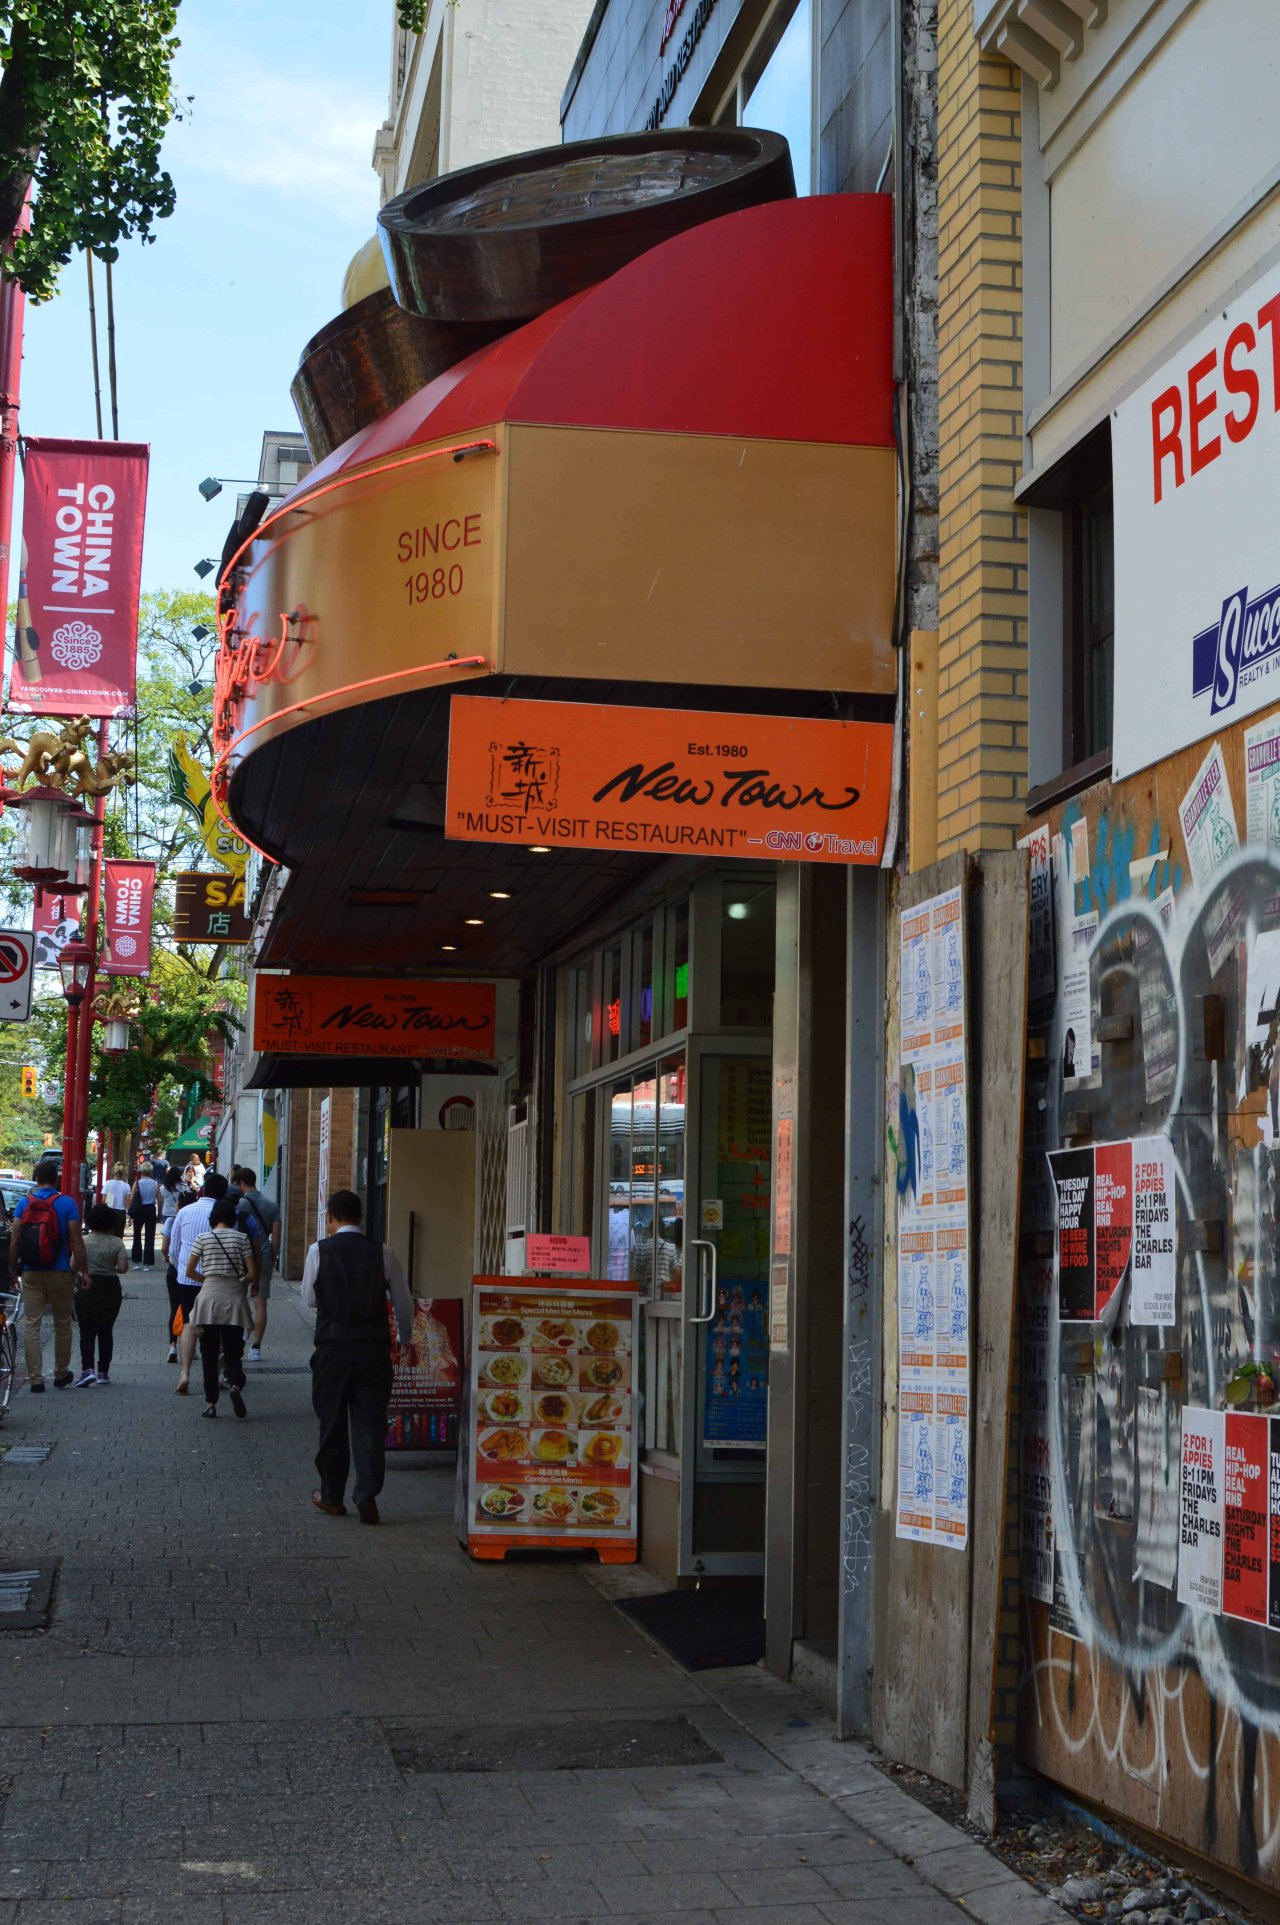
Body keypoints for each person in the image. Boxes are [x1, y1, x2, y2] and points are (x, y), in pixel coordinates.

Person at [301, 1189, 412, 1524]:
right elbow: (403, 1302)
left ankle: (332, 1496)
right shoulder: (384, 1252)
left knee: (331, 1423)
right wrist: (404, 1338)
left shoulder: (317, 1250)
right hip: (373, 1349)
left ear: (330, 1218)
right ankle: (367, 1494)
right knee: (370, 1424)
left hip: (332, 1348)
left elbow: (308, 1298)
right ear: (361, 1217)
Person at [9, 1158, 88, 1393]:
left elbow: (15, 1240)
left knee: (32, 1324)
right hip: (60, 1270)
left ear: (36, 1179)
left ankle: (35, 1380)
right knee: (62, 1323)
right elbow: (76, 1239)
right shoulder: (67, 1204)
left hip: (32, 1271)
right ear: (56, 1179)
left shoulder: (25, 1204)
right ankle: (61, 1374)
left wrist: (12, 1270)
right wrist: (84, 1270)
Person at [184, 1196, 257, 1419]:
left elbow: (189, 1271)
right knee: (233, 1350)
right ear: (233, 1218)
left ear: (213, 1218)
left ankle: (210, 1403)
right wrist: (240, 1281)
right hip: (233, 1298)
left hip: (209, 1298)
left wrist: (207, 1278)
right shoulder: (242, 1238)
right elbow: (252, 1274)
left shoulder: (203, 1238)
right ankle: (235, 1383)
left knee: (208, 1352)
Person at [165, 1173, 229, 1393]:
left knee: (190, 1325)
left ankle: (184, 1374)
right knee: (217, 1326)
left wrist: (182, 1268)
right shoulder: (224, 1215)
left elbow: (173, 1251)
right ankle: (217, 1375)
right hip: (215, 1279)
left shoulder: (184, 1212)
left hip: (185, 1279)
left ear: (203, 1189)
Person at [74, 1202, 129, 1387]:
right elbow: (122, 1268)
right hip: (110, 1287)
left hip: (86, 1286)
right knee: (106, 1330)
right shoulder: (117, 1243)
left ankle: (87, 1369)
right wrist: (109, 1265)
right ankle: (103, 1372)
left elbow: (73, 1266)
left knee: (86, 1329)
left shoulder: (83, 1241)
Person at [235, 1169, 280, 1361]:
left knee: (239, 1297)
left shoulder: (240, 1205)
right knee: (261, 1303)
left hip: (243, 1258)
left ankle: (245, 1329)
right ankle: (256, 1348)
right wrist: (273, 1256)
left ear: (242, 1183)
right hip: (265, 1257)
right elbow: (276, 1236)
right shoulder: (271, 1205)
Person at [128, 1162, 160, 1269]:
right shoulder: (155, 1183)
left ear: (141, 1171)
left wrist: (129, 1216)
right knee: (150, 1236)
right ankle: (147, 1263)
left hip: (139, 1209)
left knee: (137, 1234)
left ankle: (136, 1261)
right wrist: (159, 1214)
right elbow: (158, 1199)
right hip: (150, 1208)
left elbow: (132, 1199)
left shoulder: (137, 1183)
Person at [102, 1162, 131, 1234]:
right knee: (119, 1235)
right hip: (121, 1212)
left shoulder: (108, 1183)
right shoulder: (126, 1186)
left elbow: (103, 1200)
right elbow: (127, 1202)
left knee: (108, 1234)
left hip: (109, 1211)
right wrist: (130, 1217)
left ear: (114, 1172)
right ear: (122, 1173)